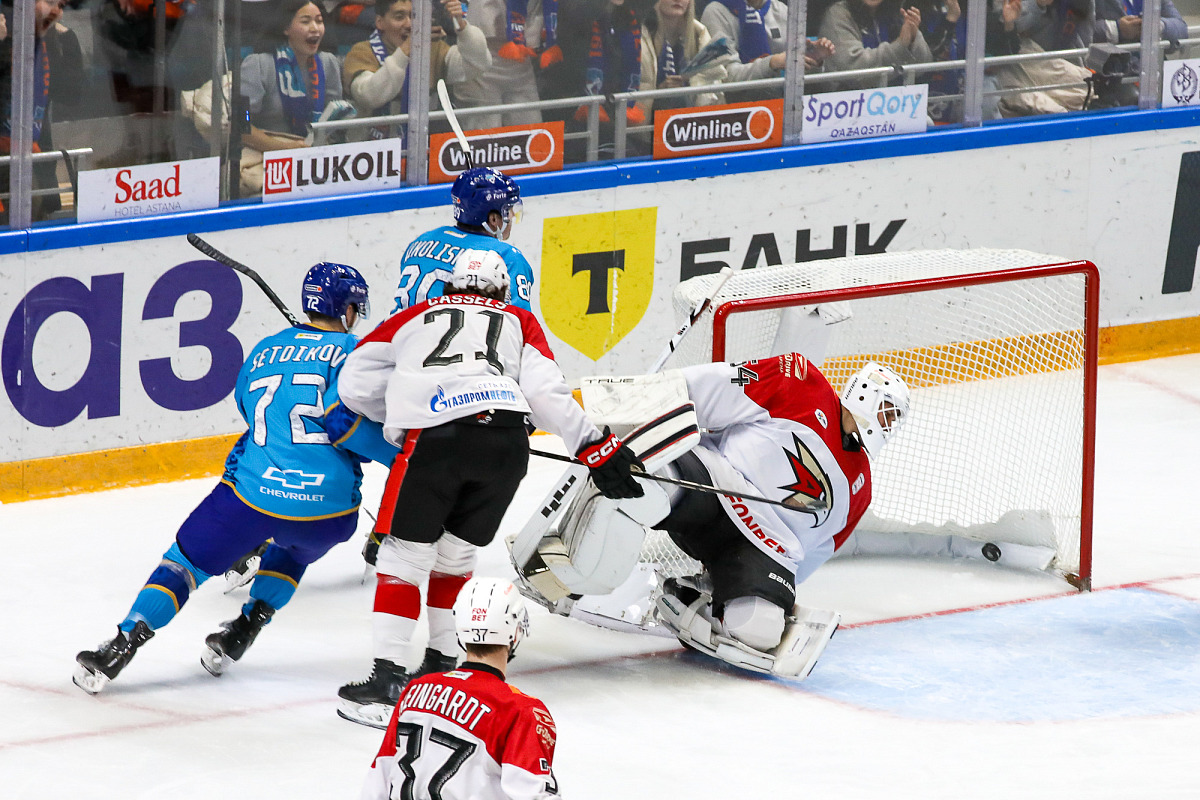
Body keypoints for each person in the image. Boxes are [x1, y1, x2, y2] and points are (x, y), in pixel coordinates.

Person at [334, 248, 644, 728]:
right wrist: (593, 446)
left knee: (402, 558)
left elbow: (353, 383)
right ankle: (442, 666)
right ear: (501, 291)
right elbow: (545, 393)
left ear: (449, 286)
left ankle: (388, 681)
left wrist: (404, 410)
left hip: (435, 443)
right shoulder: (520, 319)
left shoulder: (414, 314)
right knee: (455, 557)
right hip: (505, 446)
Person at [73, 263, 372, 694]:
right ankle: (246, 628)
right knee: (295, 548)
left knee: (184, 563)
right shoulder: (356, 353)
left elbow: (250, 411)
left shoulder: (266, 349)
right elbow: (360, 431)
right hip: (329, 515)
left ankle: (120, 647)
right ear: (346, 310)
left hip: (252, 500)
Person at [513, 356, 911, 678]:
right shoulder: (802, 383)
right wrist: (632, 402)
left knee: (758, 629)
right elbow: (709, 387)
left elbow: (815, 553)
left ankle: (691, 599)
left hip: (761, 548)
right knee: (637, 483)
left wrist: (775, 589)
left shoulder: (860, 487)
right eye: (887, 411)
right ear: (863, 393)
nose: (888, 423)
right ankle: (564, 570)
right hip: (712, 483)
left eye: (895, 418)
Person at [361, 576, 560, 800]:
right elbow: (533, 795)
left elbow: (378, 779)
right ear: (515, 632)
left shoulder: (416, 690)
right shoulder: (519, 710)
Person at [389, 165, 534, 314]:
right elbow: (518, 321)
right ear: (493, 219)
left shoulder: (421, 242)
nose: (512, 216)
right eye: (508, 210)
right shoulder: (507, 257)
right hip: (447, 328)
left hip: (396, 326)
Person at [342, 0, 491, 140]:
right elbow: (370, 97)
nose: (409, 24)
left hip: (423, 145)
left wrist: (462, 27)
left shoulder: (433, 49)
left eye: (414, 16)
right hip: (372, 150)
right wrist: (405, 50)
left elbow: (477, 65)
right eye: (399, 17)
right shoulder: (361, 52)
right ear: (380, 22)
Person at [240, 0, 347, 157]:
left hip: (315, 154)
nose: (315, 28)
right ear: (286, 28)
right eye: (305, 21)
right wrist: (283, 149)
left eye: (319, 21)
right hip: (267, 154)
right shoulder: (259, 64)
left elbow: (334, 119)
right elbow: (242, 122)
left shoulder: (328, 63)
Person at [700, 0, 836, 100]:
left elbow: (801, 81)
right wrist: (772, 63)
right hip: (733, 110)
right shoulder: (715, 12)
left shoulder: (782, 10)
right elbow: (725, 76)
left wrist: (813, 59)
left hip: (780, 103)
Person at [636, 0, 729, 121]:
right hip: (647, 123)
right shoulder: (639, 33)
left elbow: (713, 94)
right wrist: (659, 92)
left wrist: (690, 86)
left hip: (692, 123)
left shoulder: (699, 33)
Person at [820, 0, 933, 90]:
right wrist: (901, 45)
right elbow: (853, 71)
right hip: (851, 104)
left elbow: (923, 68)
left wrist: (913, 40)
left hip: (898, 102)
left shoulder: (896, 11)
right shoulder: (838, 14)